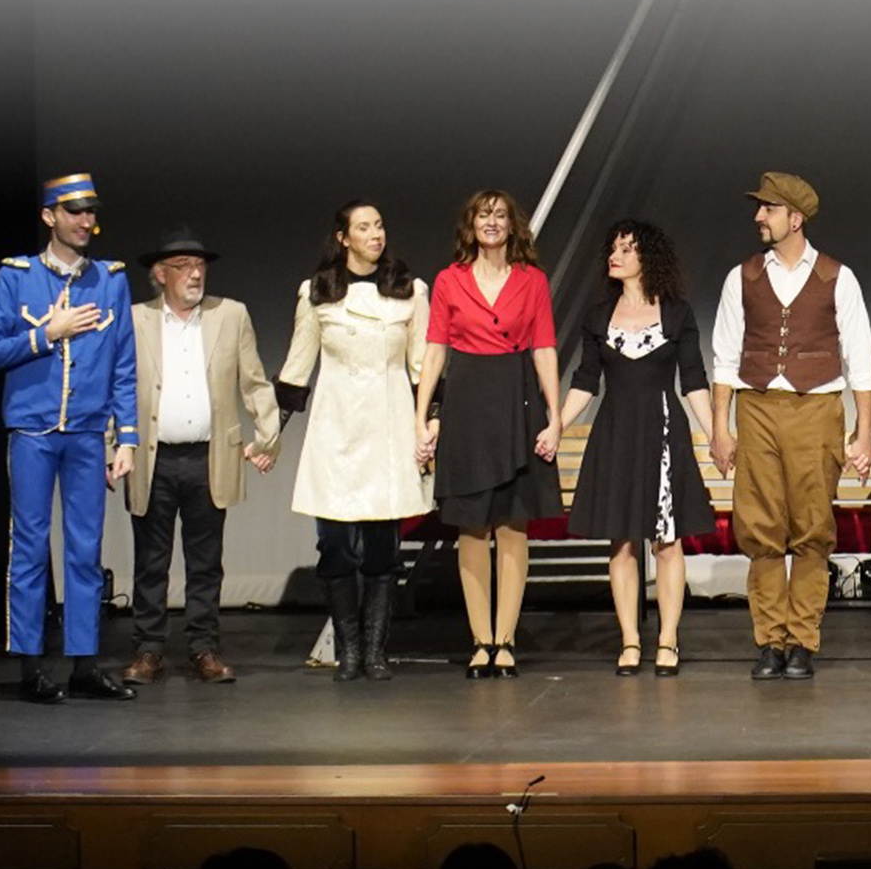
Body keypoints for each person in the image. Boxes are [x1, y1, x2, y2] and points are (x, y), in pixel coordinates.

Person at [0, 172, 139, 704]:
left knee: (86, 551)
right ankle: (30, 666)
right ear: (50, 216)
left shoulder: (110, 280)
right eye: (74, 211)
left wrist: (127, 437)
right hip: (33, 430)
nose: (86, 221)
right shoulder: (16, 277)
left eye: (91, 212)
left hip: (87, 433)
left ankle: (84, 665)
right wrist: (46, 334)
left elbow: (124, 364)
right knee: (29, 547)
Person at [708, 173, 871, 681]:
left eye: (769, 209)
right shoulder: (742, 277)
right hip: (757, 406)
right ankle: (770, 641)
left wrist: (864, 433)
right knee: (760, 526)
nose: (759, 217)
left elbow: (861, 361)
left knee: (811, 527)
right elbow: (724, 358)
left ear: (795, 218)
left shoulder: (837, 277)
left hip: (816, 408)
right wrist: (721, 427)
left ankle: (802, 640)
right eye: (760, 208)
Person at [276, 200, 433, 682]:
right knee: (336, 546)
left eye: (379, 225)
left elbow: (423, 367)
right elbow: (297, 367)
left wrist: (431, 422)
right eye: (363, 227)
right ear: (343, 238)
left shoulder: (409, 291)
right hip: (335, 431)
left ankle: (375, 651)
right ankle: (347, 650)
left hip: (389, 428)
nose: (375, 234)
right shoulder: (318, 292)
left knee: (383, 550)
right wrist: (269, 434)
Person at [120, 228, 280, 686]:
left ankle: (204, 648)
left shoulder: (230, 315)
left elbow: (253, 381)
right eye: (184, 266)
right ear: (160, 274)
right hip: (154, 458)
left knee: (205, 561)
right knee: (151, 561)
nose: (195, 274)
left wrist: (267, 438)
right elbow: (119, 385)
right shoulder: (136, 319)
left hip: (209, 456)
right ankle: (148, 650)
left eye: (200, 266)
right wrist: (115, 443)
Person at [415, 190, 563, 678]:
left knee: (512, 523)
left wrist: (555, 416)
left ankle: (506, 639)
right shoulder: (450, 280)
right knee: (472, 525)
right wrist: (421, 416)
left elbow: (544, 348)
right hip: (467, 404)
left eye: (500, 215)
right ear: (471, 225)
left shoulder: (532, 280)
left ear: (512, 225)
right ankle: (481, 641)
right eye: (484, 215)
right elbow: (435, 350)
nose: (492, 222)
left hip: (517, 400)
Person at [561, 220, 716, 678]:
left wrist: (715, 433)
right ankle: (630, 640)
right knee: (622, 541)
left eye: (627, 248)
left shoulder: (677, 314)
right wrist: (557, 425)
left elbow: (693, 379)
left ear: (648, 258)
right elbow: (586, 380)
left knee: (667, 540)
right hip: (616, 432)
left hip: (663, 430)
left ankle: (667, 639)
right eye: (613, 248)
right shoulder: (598, 317)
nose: (616, 255)